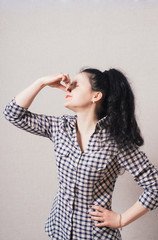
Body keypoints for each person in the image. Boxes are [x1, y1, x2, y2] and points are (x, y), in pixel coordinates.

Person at [3, 68, 158, 240]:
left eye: (76, 85)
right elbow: (13, 114)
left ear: (96, 96)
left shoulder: (115, 142)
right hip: (60, 231)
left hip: (95, 235)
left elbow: (155, 186)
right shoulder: (59, 128)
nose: (68, 88)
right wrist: (41, 82)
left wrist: (121, 219)